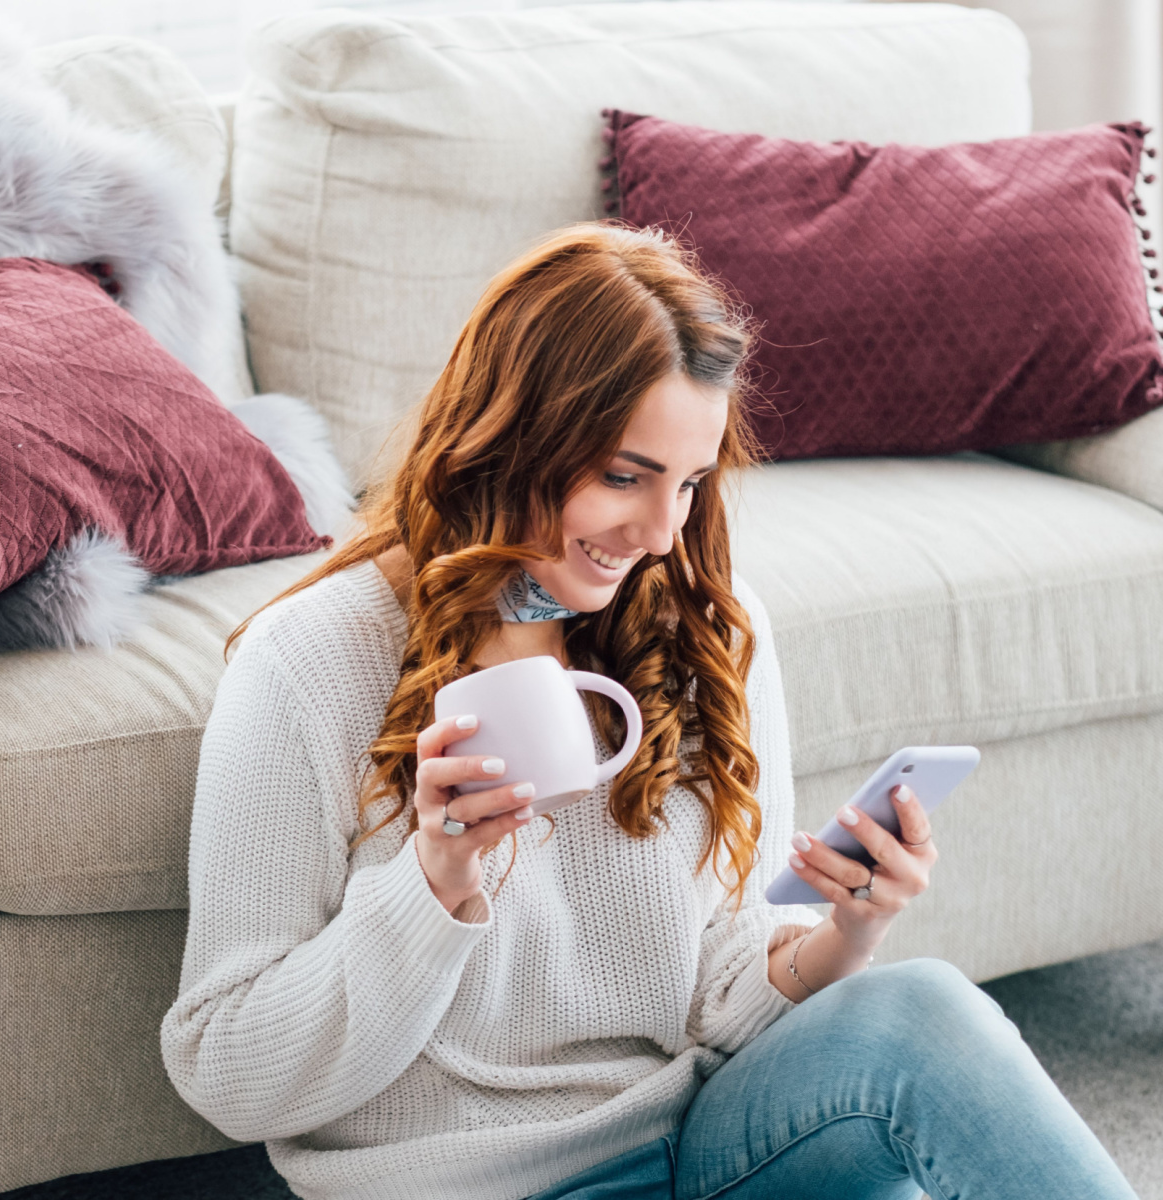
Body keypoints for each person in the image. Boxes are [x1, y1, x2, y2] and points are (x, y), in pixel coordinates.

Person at [159, 224, 1137, 1200]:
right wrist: (432, 883)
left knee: (918, 1008)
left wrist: (844, 934)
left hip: (701, 1146)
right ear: (511, 436)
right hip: (479, 1186)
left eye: (690, 483)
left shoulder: (705, 627)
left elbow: (719, 983)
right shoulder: (309, 662)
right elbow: (228, 1070)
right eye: (624, 477)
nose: (661, 533)